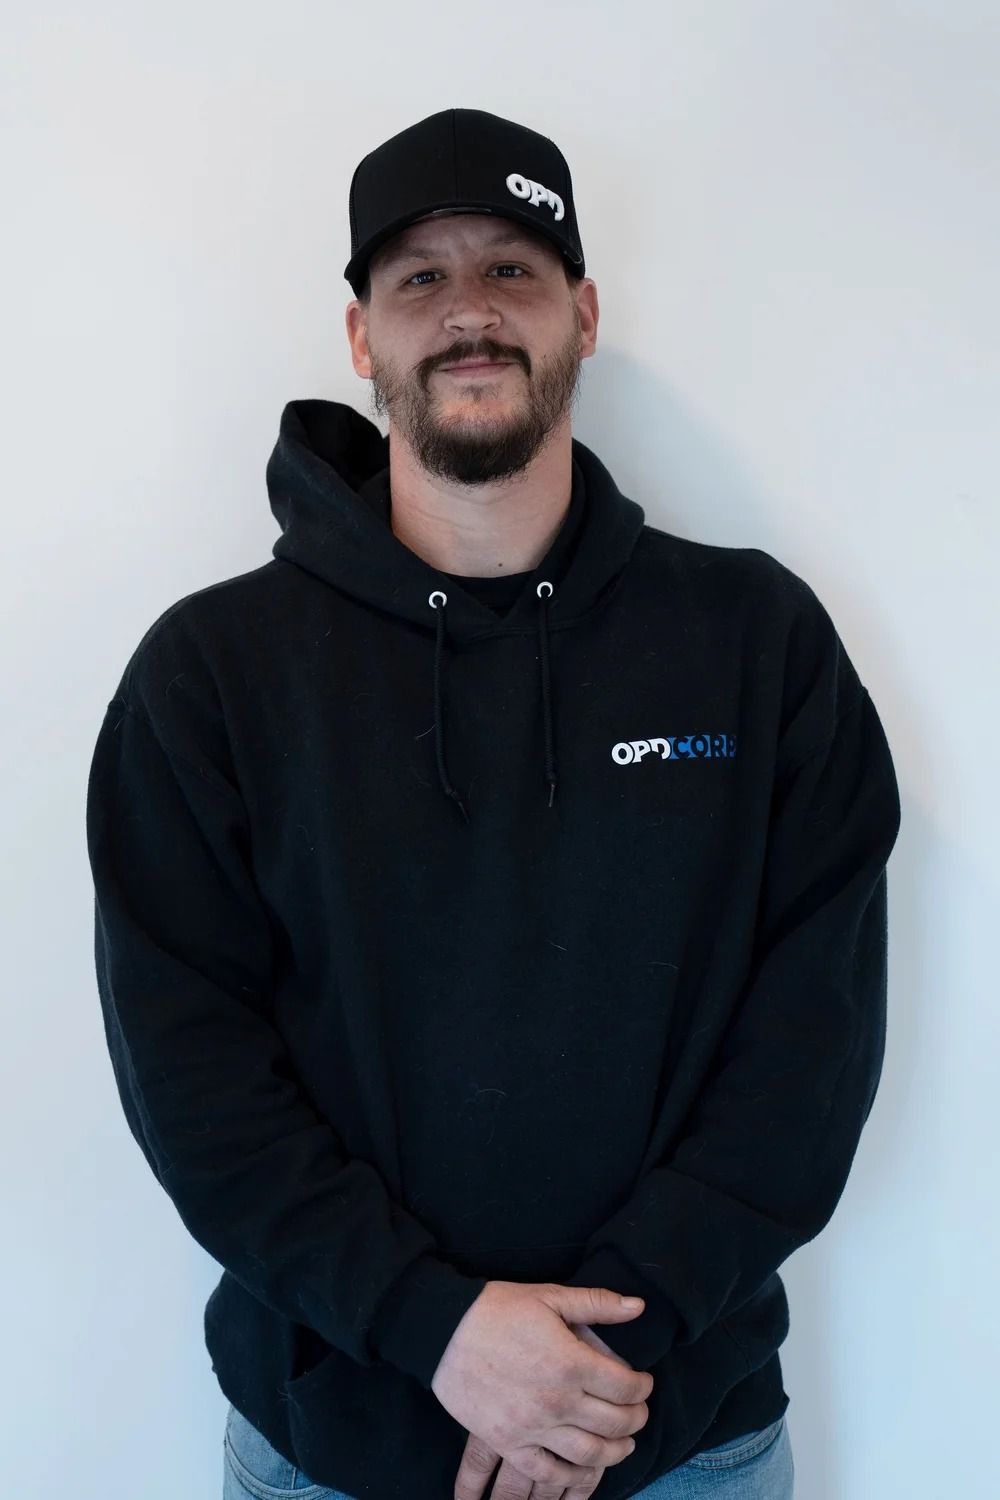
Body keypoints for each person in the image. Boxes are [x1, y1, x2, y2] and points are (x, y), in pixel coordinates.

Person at [85, 107, 901, 1500]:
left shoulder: (756, 641)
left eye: (513, 270)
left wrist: (587, 1370)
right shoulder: (211, 675)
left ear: (583, 312)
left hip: (677, 1431)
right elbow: (193, 1073)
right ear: (361, 338)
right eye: (419, 278)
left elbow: (809, 1047)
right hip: (332, 1443)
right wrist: (435, 1325)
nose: (469, 312)